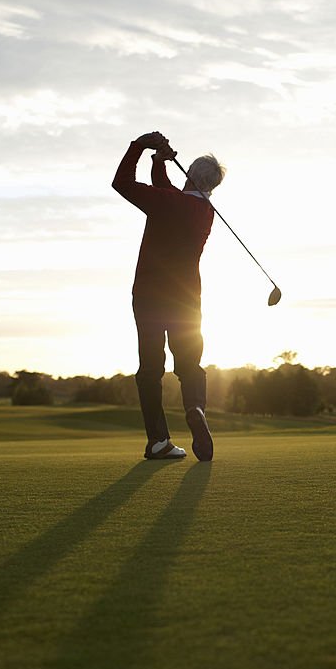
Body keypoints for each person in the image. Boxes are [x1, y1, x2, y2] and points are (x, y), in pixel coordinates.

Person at [111, 130, 225, 461]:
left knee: (150, 369)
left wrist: (139, 146)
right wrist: (158, 162)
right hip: (186, 300)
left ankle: (158, 441)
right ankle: (195, 408)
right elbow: (169, 192)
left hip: (148, 296)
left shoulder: (167, 203)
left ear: (189, 175)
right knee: (189, 365)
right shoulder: (205, 213)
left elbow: (122, 183)